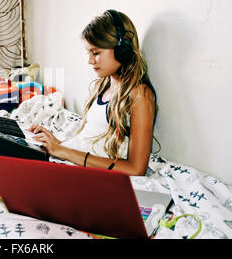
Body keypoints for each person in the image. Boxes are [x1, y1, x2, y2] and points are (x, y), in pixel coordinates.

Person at [29, 10, 158, 176]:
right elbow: (89, 144)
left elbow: (136, 168)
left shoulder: (140, 94)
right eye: (89, 53)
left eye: (96, 53)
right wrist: (58, 145)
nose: (90, 61)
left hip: (83, 170)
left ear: (122, 51)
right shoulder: (102, 87)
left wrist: (65, 152)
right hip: (70, 160)